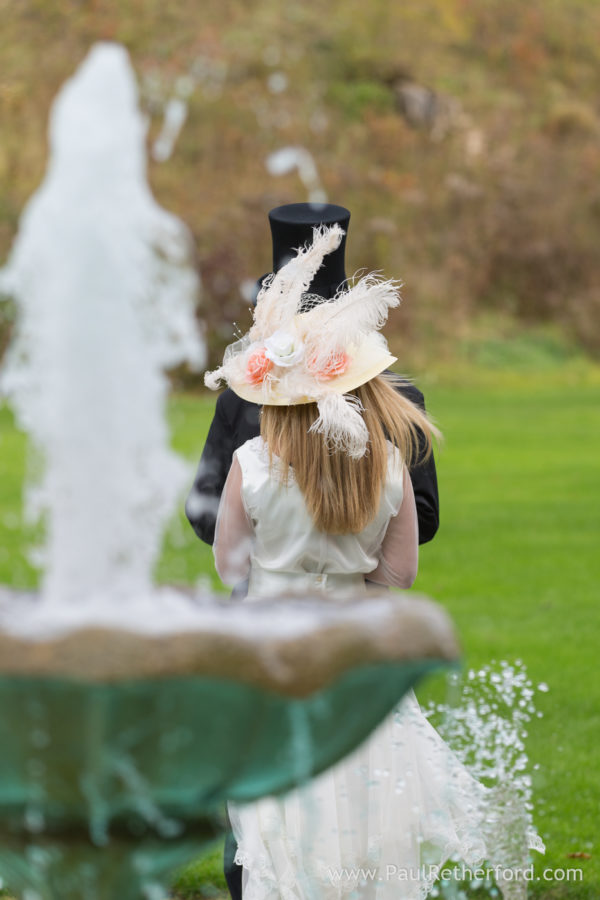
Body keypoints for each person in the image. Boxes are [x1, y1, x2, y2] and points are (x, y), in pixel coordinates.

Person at [203, 224, 542, 899]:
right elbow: (400, 574)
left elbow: (228, 562)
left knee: (281, 809)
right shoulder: (386, 466)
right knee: (363, 799)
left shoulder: (252, 464)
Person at [185, 203, 440, 553]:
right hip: (358, 595)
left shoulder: (241, 400)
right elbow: (423, 519)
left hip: (264, 596)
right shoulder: (402, 399)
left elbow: (203, 512)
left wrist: (279, 545)